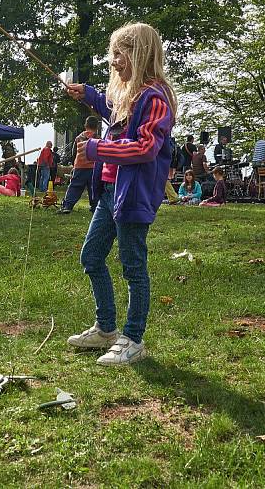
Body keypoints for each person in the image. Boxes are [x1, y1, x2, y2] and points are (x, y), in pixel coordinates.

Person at [64, 22, 177, 366]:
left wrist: (97, 149)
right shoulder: (128, 94)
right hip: (111, 192)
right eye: (112, 54)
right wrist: (88, 94)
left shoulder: (154, 98)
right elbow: (113, 113)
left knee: (133, 267)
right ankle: (107, 329)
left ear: (139, 55)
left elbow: (144, 147)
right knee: (92, 257)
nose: (113, 61)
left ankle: (133, 338)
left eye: (119, 54)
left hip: (135, 196)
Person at [58, 116, 99, 214]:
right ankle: (95, 207)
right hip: (94, 167)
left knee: (75, 186)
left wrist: (74, 164)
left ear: (85, 125)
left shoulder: (78, 138)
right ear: (97, 127)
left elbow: (73, 153)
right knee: (94, 188)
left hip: (80, 166)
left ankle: (67, 206)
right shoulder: (98, 138)